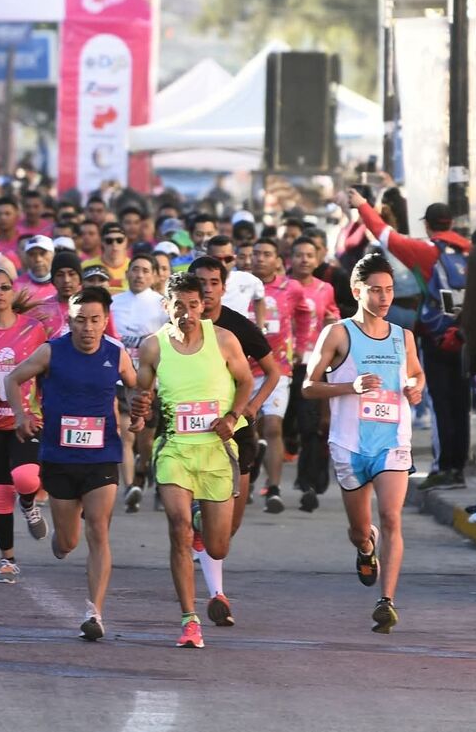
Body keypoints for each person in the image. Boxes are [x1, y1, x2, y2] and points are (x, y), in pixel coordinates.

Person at [7, 286, 140, 639]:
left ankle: (94, 612)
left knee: (98, 528)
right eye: (81, 320)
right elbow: (13, 379)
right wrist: (21, 415)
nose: (88, 328)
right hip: (60, 458)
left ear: (106, 320)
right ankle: (59, 535)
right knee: (66, 544)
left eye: (95, 320)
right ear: (70, 320)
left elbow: (136, 386)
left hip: (102, 456)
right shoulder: (51, 351)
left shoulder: (116, 353)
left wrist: (140, 409)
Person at [302, 252, 424, 633]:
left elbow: (416, 374)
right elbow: (308, 387)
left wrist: (414, 387)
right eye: (375, 290)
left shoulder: (403, 337)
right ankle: (366, 547)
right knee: (361, 529)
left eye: (388, 290)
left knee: (391, 516)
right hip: (350, 444)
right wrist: (349, 387)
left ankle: (386, 601)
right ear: (357, 291)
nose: (384, 298)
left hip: (392, 441)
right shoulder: (338, 334)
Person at [134, 272, 253, 648]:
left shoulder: (224, 340)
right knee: (178, 528)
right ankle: (189, 620)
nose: (185, 313)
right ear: (165, 306)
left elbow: (246, 381)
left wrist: (232, 416)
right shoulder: (153, 347)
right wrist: (139, 411)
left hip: (216, 450)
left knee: (218, 547)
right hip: (175, 450)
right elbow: (141, 396)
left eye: (192, 305)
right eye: (178, 306)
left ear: (203, 306)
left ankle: (203, 525)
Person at [348, 191, 471, 491]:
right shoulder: (470, 250)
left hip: (436, 337)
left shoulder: (425, 251)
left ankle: (444, 469)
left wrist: (361, 204)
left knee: (441, 403)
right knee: (461, 403)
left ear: (427, 225)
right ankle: (458, 467)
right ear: (451, 223)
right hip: (467, 338)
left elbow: (382, 233)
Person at [188, 256, 281, 626]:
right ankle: (217, 595)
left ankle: (203, 533)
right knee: (199, 516)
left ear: (224, 288)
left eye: (214, 283)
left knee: (225, 532)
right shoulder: (178, 326)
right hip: (191, 433)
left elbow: (273, 372)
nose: (207, 290)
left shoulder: (238, 326)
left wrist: (251, 407)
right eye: (201, 283)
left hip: (235, 431)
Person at [0, 268, 49, 584]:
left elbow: (46, 372)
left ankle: (28, 502)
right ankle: (8, 559)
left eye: (5, 287)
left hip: (27, 419)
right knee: (0, 493)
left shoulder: (34, 329)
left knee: (26, 478)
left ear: (13, 292)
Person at [249, 237, 309, 513]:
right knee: (248, 431)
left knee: (273, 427)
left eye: (266, 254)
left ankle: (273, 489)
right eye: (256, 254)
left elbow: (304, 314)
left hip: (277, 370)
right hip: (242, 371)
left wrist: (301, 345)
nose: (260, 258)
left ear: (277, 260)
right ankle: (246, 476)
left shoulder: (291, 288)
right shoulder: (238, 285)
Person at [109, 253, 168, 511]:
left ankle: (147, 473)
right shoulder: (113, 303)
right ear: (127, 273)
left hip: (153, 383)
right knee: (125, 436)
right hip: (122, 380)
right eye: (135, 269)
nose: (139, 275)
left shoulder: (163, 304)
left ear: (154, 276)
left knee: (148, 441)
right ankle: (131, 486)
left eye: (145, 270)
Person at [288, 236, 340, 511]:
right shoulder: (282, 287)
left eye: (309, 255)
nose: (304, 260)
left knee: (311, 426)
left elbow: (333, 316)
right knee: (282, 425)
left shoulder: (325, 289)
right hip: (283, 365)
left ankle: (308, 483)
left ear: (318, 259)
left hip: (314, 365)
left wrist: (333, 320)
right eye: (299, 255)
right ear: (290, 258)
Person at [30, 251, 83, 339]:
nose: (66, 280)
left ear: (80, 279)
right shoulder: (40, 310)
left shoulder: (92, 307)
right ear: (53, 280)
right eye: (60, 275)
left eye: (71, 274)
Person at [81, 222, 129, 294]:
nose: (114, 244)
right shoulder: (86, 266)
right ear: (102, 242)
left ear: (126, 241)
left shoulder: (134, 267)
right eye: (109, 241)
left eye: (119, 240)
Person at [14, 235, 58, 304]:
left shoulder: (63, 282)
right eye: (32, 254)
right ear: (26, 257)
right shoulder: (17, 286)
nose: (38, 259)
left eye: (43, 253)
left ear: (53, 254)